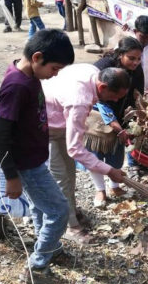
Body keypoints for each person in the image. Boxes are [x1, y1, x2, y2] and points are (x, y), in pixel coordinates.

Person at [0, 29, 75, 284]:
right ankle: (36, 267)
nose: (55, 74)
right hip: (26, 164)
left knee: (42, 207)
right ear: (37, 57)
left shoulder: (23, 72)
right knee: (59, 211)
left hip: (35, 157)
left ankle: (48, 246)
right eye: (55, 68)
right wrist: (11, 177)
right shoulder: (17, 85)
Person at [43, 65, 129, 243]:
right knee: (60, 179)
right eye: (114, 96)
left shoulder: (92, 71)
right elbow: (74, 148)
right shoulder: (79, 101)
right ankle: (70, 227)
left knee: (69, 174)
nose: (114, 100)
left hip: (62, 119)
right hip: (48, 125)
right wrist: (109, 170)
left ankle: (71, 211)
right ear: (102, 87)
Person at [89, 37, 144, 207]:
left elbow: (137, 96)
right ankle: (100, 190)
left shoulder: (137, 71)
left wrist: (134, 121)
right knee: (95, 155)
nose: (136, 62)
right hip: (97, 117)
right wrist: (116, 126)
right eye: (131, 58)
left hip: (121, 115)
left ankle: (115, 186)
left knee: (116, 154)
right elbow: (99, 102)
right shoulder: (102, 67)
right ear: (120, 54)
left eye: (139, 58)